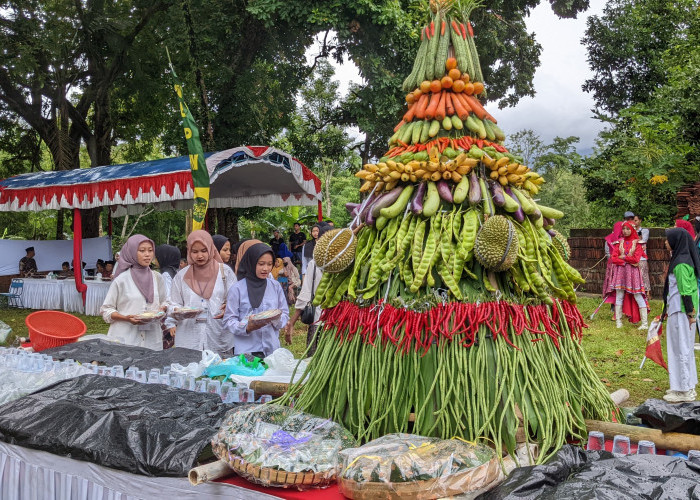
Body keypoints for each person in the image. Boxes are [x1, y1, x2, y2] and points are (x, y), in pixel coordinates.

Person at [168, 230, 237, 356]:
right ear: (189, 251)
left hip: (218, 334)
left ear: (211, 249)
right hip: (189, 336)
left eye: (204, 251)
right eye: (195, 252)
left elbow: (236, 300)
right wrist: (179, 310)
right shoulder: (181, 276)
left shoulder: (225, 273)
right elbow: (173, 303)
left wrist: (229, 307)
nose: (199, 256)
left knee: (218, 373)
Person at [100, 235, 167, 350]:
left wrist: (162, 309)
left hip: (151, 338)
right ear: (131, 252)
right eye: (142, 251)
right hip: (126, 337)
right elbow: (106, 310)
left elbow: (165, 300)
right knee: (127, 367)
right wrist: (126, 318)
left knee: (151, 366)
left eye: (150, 250)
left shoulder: (157, 277)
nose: (147, 254)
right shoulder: (122, 280)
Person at [223, 243, 288, 358]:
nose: (265, 269)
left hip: (271, 350)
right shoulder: (237, 289)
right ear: (251, 263)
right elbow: (229, 320)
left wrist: (275, 319)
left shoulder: (275, 286)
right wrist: (246, 327)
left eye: (269, 264)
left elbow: (284, 313)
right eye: (261, 264)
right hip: (246, 351)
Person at [661, 227, 700, 403]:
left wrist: (691, 313)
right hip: (681, 311)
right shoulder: (683, 260)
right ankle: (685, 386)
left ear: (676, 242)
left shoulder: (681, 264)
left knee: (681, 349)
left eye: (668, 240)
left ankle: (684, 390)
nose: (665, 242)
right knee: (683, 348)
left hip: (681, 312)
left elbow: (686, 291)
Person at [285, 223, 330, 355]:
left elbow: (305, 293)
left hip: (333, 321)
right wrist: (292, 322)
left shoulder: (343, 264)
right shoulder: (314, 264)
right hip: (320, 319)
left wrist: (292, 322)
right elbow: (306, 293)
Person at [611, 221, 649, 329]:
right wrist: (625, 260)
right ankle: (618, 321)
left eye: (628, 229)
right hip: (621, 272)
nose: (625, 231)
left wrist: (623, 257)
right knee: (619, 296)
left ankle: (645, 323)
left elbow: (636, 259)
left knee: (638, 295)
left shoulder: (638, 243)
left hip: (633, 273)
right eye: (623, 229)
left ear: (632, 230)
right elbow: (613, 258)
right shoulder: (618, 243)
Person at [602, 222, 624, 319]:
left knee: (618, 288)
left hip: (616, 266)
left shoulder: (625, 239)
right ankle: (615, 308)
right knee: (616, 288)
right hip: (616, 266)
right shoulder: (610, 239)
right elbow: (608, 253)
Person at [633, 215, 651, 297]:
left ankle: (647, 292)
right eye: (633, 220)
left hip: (642, 256)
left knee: (643, 274)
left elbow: (643, 241)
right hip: (633, 256)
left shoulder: (644, 230)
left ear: (640, 221)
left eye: (636, 220)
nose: (634, 222)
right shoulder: (630, 230)